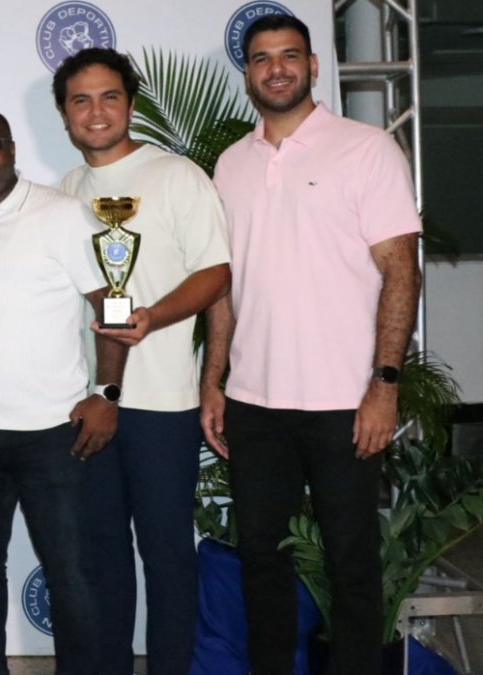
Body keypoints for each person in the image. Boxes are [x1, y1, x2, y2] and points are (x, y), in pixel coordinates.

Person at [202, 15, 422, 675]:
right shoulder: (230, 163)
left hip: (343, 402)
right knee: (261, 559)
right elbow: (225, 286)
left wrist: (385, 384)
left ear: (313, 65)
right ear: (248, 73)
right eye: (262, 58)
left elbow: (401, 269)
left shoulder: (367, 149)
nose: (276, 68)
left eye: (289, 55)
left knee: (352, 562)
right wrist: (213, 379)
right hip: (253, 401)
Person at [0, 106, 125, 675]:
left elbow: (113, 304)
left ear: (12, 149)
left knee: (70, 572)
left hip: (52, 432)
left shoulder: (63, 216)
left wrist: (107, 393)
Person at [51, 49, 232, 674]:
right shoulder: (65, 191)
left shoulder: (177, 176)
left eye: (108, 97)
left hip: (163, 404)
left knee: (166, 556)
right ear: (65, 115)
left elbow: (216, 273)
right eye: (81, 100)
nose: (95, 112)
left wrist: (152, 316)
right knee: (101, 555)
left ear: (129, 104)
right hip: (92, 406)